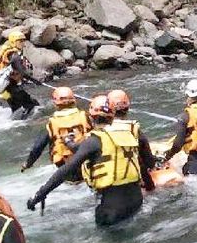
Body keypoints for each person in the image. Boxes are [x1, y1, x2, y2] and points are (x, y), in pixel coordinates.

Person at [26, 95, 143, 226]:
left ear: (91, 117)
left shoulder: (93, 141)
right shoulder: (129, 134)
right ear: (112, 117)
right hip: (137, 202)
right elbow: (141, 165)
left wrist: (40, 194)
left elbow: (65, 170)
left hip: (111, 210)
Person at [21, 87, 92, 183]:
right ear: (74, 101)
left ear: (55, 103)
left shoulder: (52, 123)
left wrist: (28, 164)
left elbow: (38, 146)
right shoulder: (85, 116)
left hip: (64, 166)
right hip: (86, 164)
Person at [107, 89, 157, 191]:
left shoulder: (101, 131)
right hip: (134, 176)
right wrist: (152, 166)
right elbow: (147, 156)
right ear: (127, 107)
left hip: (110, 178)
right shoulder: (133, 128)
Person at [0, 31, 39, 114]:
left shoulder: (8, 53)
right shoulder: (14, 55)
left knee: (16, 110)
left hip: (6, 88)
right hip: (12, 88)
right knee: (33, 105)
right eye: (20, 41)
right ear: (13, 42)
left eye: (23, 41)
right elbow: (22, 72)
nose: (22, 43)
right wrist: (35, 80)